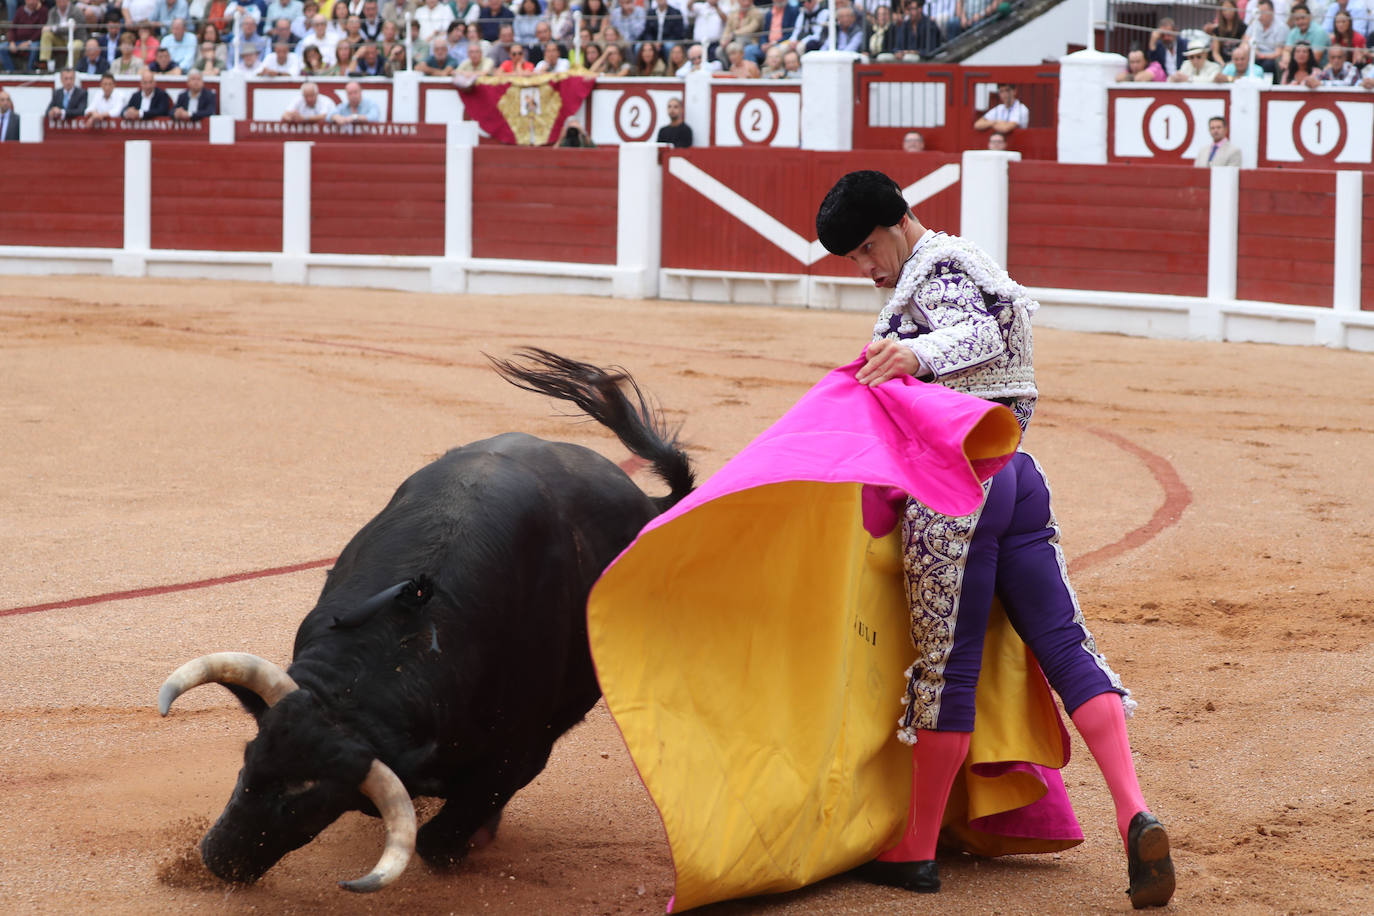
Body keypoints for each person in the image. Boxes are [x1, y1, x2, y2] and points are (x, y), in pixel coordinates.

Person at [813, 169, 1175, 910]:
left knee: (949, 667)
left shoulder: (935, 274)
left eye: (862, 251)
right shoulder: (970, 261)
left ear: (892, 225)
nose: (864, 269)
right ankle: (1133, 810)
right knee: (1066, 645)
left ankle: (914, 850)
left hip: (956, 491)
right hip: (1017, 475)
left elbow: (972, 334)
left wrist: (916, 356)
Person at [1244, 0, 1286, 75]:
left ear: (1272, 11)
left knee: (1268, 65)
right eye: (1259, 12)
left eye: (1263, 12)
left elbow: (1278, 53)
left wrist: (1261, 55)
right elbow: (1245, 40)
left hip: (1272, 59)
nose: (1260, 15)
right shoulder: (1255, 23)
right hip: (1256, 55)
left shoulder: (1281, 27)